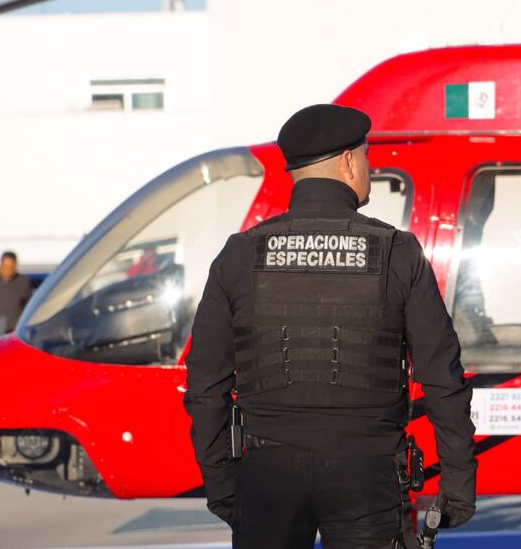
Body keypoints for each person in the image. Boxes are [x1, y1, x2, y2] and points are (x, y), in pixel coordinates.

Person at [184, 104, 477, 549]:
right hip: (369, 474)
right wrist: (457, 482)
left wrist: (223, 486)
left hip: (267, 476)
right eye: (366, 157)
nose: (369, 168)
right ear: (347, 161)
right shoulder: (397, 252)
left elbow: (206, 387)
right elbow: (442, 378)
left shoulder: (240, 255)